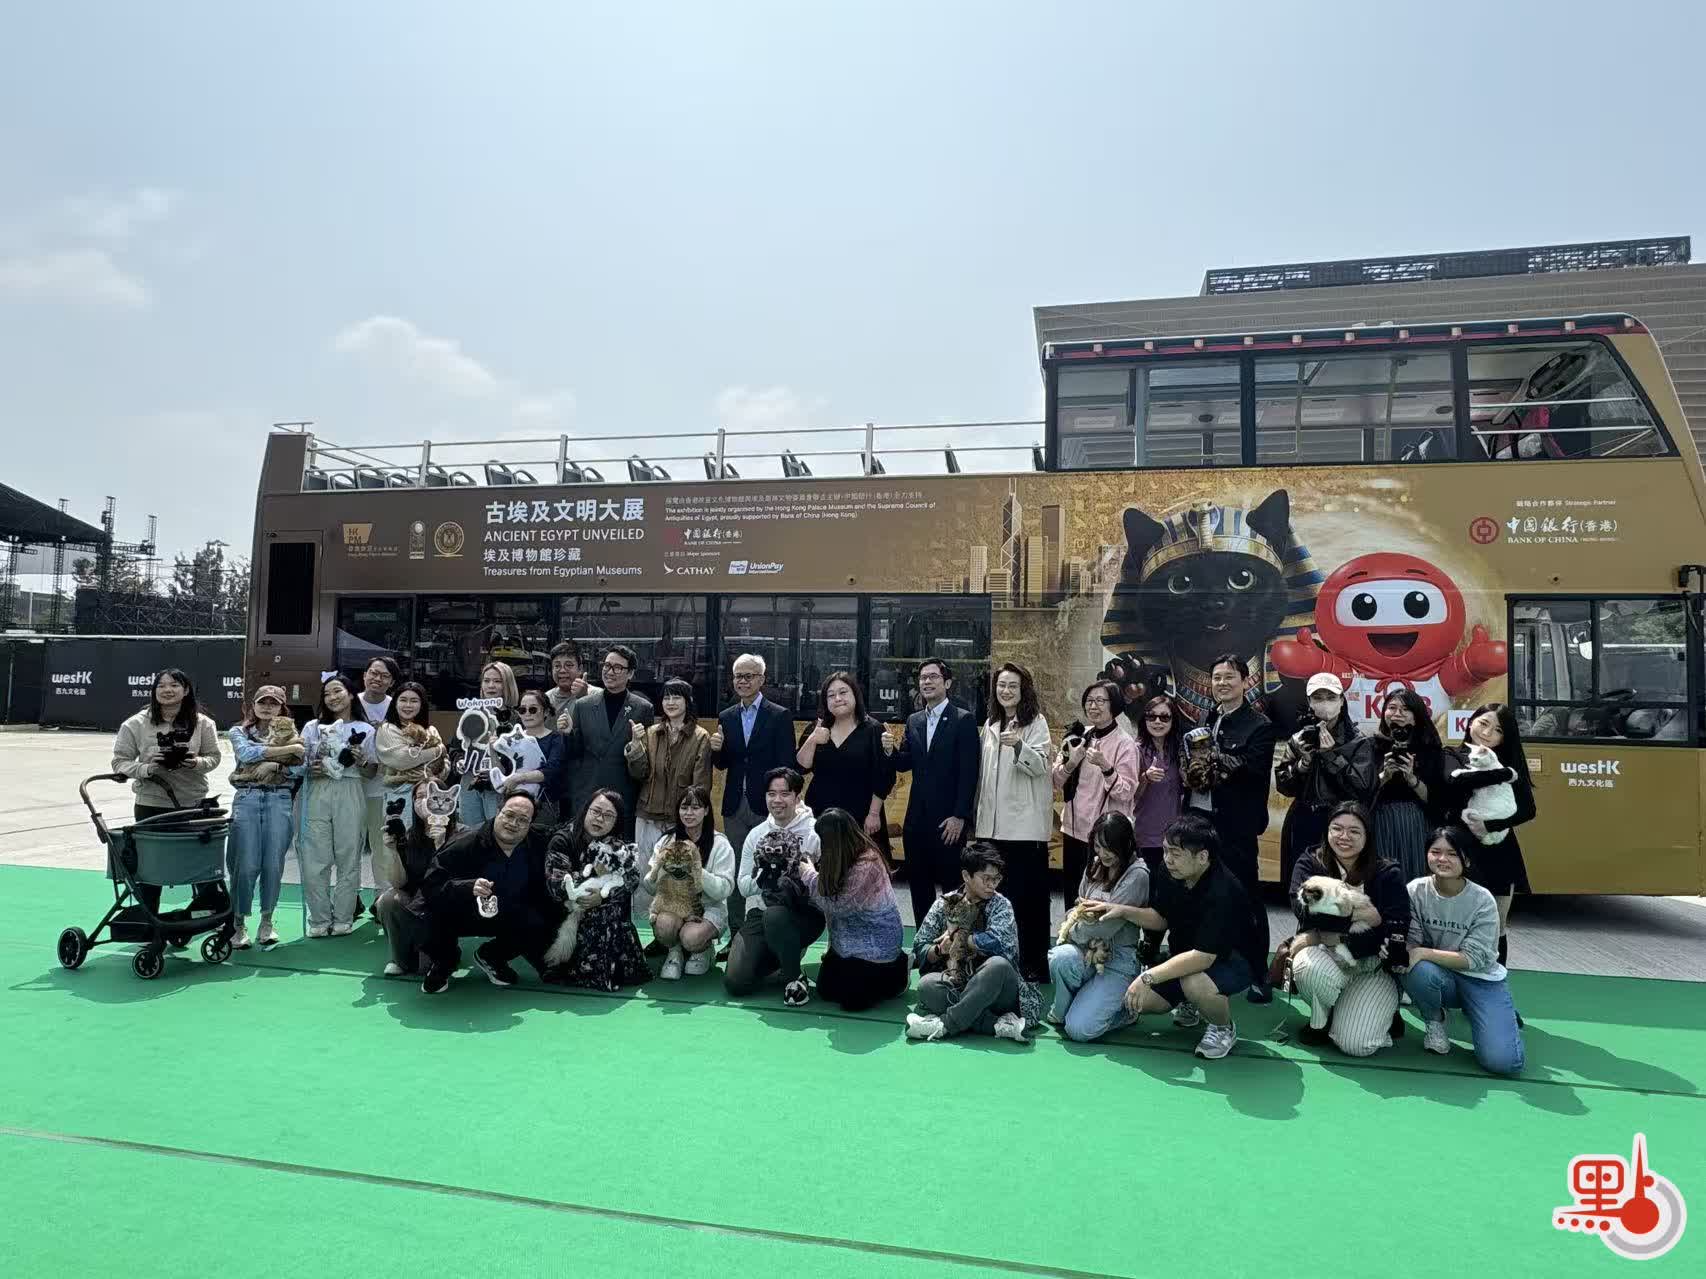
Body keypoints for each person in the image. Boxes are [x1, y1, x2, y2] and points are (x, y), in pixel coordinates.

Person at [1086, 815, 1257, 1060]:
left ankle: (1223, 1028)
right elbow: (1161, 918)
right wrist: (1121, 910)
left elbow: (1203, 958)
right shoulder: (1170, 872)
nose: (1167, 859)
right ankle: (1191, 1002)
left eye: (1175, 853)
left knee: (1194, 982)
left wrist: (1147, 976)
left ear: (1202, 857)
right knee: (1141, 1003)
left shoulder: (1223, 891)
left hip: (1233, 960)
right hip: (1187, 955)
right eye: (1166, 850)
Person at [1182, 654, 1277, 1002]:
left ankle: (1259, 973)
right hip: (1200, 819)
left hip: (1236, 827)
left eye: (1229, 677)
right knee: (1201, 895)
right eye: (1217, 677)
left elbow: (1253, 771)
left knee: (1246, 896)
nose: (1222, 683)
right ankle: (1209, 962)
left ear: (1245, 681)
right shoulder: (1207, 718)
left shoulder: (1259, 725)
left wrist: (1216, 757)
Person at [1285, 801, 1409, 1056]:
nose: (1344, 837)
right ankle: (1320, 1021)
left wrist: (1328, 933)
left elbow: (1395, 926)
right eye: (1337, 828)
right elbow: (1302, 910)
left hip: (1372, 964)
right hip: (1325, 953)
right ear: (1327, 830)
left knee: (1357, 1045)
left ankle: (1382, 1010)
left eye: (1354, 831)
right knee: (1307, 967)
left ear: (1367, 836)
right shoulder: (1310, 861)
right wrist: (1357, 914)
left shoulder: (1387, 871)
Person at [110, 669, 227, 935]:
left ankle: (205, 918)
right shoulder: (135, 723)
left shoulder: (203, 723)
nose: (167, 690)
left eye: (174, 685)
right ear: (154, 691)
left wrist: (196, 762)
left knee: (200, 867)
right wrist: (147, 768)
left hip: (193, 804)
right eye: (161, 685)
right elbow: (119, 762)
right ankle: (148, 927)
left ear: (186, 690)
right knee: (151, 870)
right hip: (151, 805)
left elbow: (214, 757)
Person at [1402, 826, 1525, 1075]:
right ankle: (1435, 1021)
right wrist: (1410, 952)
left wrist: (1423, 953)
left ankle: (1494, 1012)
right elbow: (1411, 941)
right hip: (1438, 976)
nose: (1442, 859)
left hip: (1480, 979)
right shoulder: (1415, 890)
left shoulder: (1482, 899)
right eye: (1435, 852)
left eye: (1452, 854)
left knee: (1503, 1063)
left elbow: (1475, 958)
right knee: (1413, 966)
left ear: (1466, 860)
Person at [419, 793, 551, 994]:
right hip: (463, 912)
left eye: (523, 820)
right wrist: (466, 887)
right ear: (497, 811)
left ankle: (492, 955)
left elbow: (571, 831)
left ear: (530, 824)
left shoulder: (539, 840)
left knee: (543, 915)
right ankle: (444, 961)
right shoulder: (464, 843)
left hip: (510, 912)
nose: (513, 823)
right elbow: (431, 886)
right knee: (430, 913)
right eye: (509, 815)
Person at [906, 843, 1039, 1043]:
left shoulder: (1001, 905)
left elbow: (997, 942)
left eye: (996, 878)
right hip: (958, 983)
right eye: (986, 878)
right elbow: (920, 947)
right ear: (966, 876)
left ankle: (944, 1025)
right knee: (926, 985)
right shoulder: (945, 902)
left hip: (997, 990)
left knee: (998, 966)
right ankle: (997, 1025)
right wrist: (939, 949)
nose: (992, 885)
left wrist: (960, 938)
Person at [710, 653, 797, 953]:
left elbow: (786, 764)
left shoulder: (779, 715)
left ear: (762, 679)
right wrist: (717, 750)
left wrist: (782, 801)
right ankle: (736, 937)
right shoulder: (726, 716)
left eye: (749, 676)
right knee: (737, 871)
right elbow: (723, 763)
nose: (743, 681)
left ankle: (770, 938)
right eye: (738, 676)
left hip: (768, 807)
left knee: (773, 871)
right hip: (735, 804)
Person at [972, 662, 1052, 980]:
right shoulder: (990, 723)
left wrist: (1019, 744)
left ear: (1023, 690)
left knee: (1027, 901)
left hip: (1023, 829)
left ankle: (1033, 963)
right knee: (996, 898)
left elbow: (1041, 766)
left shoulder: (1036, 722)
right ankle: (999, 960)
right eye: (1001, 685)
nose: (1005, 691)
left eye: (1012, 686)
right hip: (992, 828)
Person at [891, 656, 980, 929]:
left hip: (948, 823)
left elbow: (969, 773)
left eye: (933, 677)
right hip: (916, 821)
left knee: (952, 889)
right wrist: (889, 750)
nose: (926, 682)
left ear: (947, 683)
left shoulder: (963, 720)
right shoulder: (914, 720)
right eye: (922, 678)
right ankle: (924, 942)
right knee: (919, 887)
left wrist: (960, 816)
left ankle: (953, 942)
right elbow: (905, 762)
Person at [724, 767, 824, 1006]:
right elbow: (743, 886)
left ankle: (794, 977)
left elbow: (828, 886)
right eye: (771, 794)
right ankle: (784, 953)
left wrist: (801, 875)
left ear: (797, 797)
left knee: (776, 915)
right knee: (737, 983)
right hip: (761, 912)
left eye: (785, 793)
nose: (777, 800)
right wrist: (766, 877)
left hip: (803, 913)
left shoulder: (815, 833)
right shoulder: (757, 834)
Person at [1047, 812, 1150, 1042]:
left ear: (1125, 844)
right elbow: (1078, 904)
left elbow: (1104, 927)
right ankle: (1065, 1009)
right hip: (1086, 950)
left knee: (1079, 1030)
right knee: (1059, 957)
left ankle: (1125, 1012)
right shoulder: (1095, 864)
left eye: (1109, 848)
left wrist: (1072, 928)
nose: (1102, 854)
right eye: (1097, 846)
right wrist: (1077, 919)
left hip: (1118, 961)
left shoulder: (1138, 875)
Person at [1450, 703, 1536, 977]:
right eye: (1483, 723)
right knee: (1455, 923)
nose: (1487, 733)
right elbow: (1455, 787)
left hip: (1501, 853)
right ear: (1471, 722)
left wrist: (1489, 825)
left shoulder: (1511, 763)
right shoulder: (1452, 756)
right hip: (1459, 851)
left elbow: (1528, 810)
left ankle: (1494, 983)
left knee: (1496, 925)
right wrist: (1503, 775)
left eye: (1497, 730)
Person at [798, 808, 908, 1011]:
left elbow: (838, 907)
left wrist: (809, 875)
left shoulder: (868, 863)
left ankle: (900, 970)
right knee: (826, 991)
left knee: (853, 1002)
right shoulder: (841, 857)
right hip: (846, 944)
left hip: (876, 946)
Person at [541, 789, 652, 990]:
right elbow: (556, 886)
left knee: (610, 909)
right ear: (586, 810)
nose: (600, 819)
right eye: (596, 811)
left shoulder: (616, 843)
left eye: (608, 816)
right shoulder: (563, 839)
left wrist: (603, 897)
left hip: (605, 908)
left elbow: (632, 879)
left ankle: (605, 970)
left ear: (616, 822)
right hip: (566, 910)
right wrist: (593, 876)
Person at [1274, 672, 1375, 892]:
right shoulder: (1299, 739)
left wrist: (1331, 756)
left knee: (1341, 890)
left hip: (1342, 822)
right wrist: (1303, 764)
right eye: (1318, 698)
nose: (1325, 704)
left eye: (1331, 697)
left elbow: (1362, 788)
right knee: (1304, 889)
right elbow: (1283, 785)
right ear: (1309, 702)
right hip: (1304, 817)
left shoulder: (1358, 741)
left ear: (1342, 701)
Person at [628, 677, 712, 937]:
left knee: (679, 878)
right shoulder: (651, 733)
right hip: (647, 813)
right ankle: (650, 932)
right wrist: (635, 747)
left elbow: (701, 785)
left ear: (688, 702)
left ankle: (679, 934)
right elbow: (638, 773)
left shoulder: (700, 736)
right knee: (646, 874)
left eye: (677, 697)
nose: (671, 702)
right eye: (666, 697)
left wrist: (691, 815)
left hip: (680, 820)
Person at [1050, 679, 1139, 925]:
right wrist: (1071, 762)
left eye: (1101, 701)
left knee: (1099, 898)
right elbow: (1056, 781)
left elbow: (1126, 792)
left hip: (1105, 836)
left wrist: (1105, 766)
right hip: (1073, 829)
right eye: (1089, 700)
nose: (1093, 706)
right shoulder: (1077, 737)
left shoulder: (1125, 744)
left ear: (1115, 705)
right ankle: (1069, 937)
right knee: (1072, 895)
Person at [225, 685, 304, 949]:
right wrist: (287, 753)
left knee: (273, 864)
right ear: (253, 705)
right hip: (247, 797)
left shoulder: (293, 733)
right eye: (262, 702)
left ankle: (267, 921)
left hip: (279, 798)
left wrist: (276, 765)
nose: (267, 707)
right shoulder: (239, 731)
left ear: (282, 707)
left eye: (274, 703)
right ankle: (238, 924)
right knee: (245, 865)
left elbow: (302, 767)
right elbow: (245, 754)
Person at [298, 675, 378, 937]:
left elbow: (371, 772)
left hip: (350, 789)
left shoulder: (365, 730)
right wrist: (311, 767)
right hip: (317, 791)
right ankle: (319, 919)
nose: (332, 698)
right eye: (327, 693)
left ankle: (344, 917)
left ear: (351, 694)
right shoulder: (312, 727)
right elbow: (298, 764)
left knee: (349, 855)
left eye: (337, 691)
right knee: (315, 858)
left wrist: (362, 760)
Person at [795, 670, 894, 860]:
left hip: (861, 814)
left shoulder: (873, 729)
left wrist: (874, 813)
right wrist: (813, 739)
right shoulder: (817, 727)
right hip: (821, 813)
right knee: (824, 868)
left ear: (855, 694)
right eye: (831, 695)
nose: (837, 699)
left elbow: (884, 775)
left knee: (861, 868)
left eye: (843, 692)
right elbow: (801, 767)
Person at [640, 785, 735, 979]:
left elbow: (724, 890)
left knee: (691, 938)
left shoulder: (720, 843)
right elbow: (649, 887)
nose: (689, 813)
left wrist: (696, 868)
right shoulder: (666, 841)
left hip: (708, 908)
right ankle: (674, 951)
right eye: (684, 807)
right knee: (664, 926)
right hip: (673, 904)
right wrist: (661, 871)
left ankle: (703, 949)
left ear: (706, 810)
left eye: (695, 807)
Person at [562, 645, 655, 833]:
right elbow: (574, 753)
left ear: (630, 673)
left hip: (623, 796)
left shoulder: (643, 708)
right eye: (607, 665)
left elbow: (644, 764)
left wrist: (636, 746)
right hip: (587, 794)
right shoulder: (583, 705)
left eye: (617, 667)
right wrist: (568, 733)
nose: (610, 672)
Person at [374, 780, 461, 977]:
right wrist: (392, 851)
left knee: (426, 969)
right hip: (414, 903)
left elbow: (459, 879)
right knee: (388, 899)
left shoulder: (461, 833)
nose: (424, 801)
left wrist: (441, 845)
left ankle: (444, 952)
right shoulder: (409, 835)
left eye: (430, 795)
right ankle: (399, 959)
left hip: (445, 904)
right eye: (419, 797)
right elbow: (398, 883)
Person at [1367, 688, 1451, 883]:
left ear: (1416, 715)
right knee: (1384, 878)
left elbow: (1436, 798)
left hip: (1417, 823)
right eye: (1392, 708)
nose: (1397, 713)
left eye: (1405, 709)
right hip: (1380, 822)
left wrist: (1412, 779)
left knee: (1416, 875)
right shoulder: (1371, 746)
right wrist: (1384, 776)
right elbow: (1363, 792)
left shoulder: (1430, 749)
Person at [1129, 693, 1184, 963]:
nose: (1158, 721)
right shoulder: (1136, 749)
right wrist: (1145, 778)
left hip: (1174, 838)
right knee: (1149, 898)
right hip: (1145, 836)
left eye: (1164, 717)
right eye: (1152, 716)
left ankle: (1164, 950)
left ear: (1173, 721)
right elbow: (1129, 795)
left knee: (1171, 897)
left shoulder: (1179, 750)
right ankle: (1147, 950)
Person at [355, 655, 399, 919]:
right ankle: (350, 899)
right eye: (373, 673)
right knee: (349, 846)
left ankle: (381, 902)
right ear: (364, 675)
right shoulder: (350, 702)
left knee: (381, 847)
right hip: (349, 786)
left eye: (384, 676)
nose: (377, 679)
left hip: (381, 788)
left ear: (391, 682)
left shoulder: (396, 706)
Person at [453, 661, 521, 831]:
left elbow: (520, 758)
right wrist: (459, 761)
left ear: (507, 685)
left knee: (496, 833)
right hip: (469, 782)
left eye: (497, 681)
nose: (491, 686)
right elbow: (455, 748)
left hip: (498, 786)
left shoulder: (516, 719)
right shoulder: (471, 714)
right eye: (487, 680)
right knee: (469, 834)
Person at [376, 682, 446, 832]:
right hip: (400, 796)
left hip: (430, 795)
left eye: (414, 701)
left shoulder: (431, 730)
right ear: (395, 703)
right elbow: (402, 760)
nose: (408, 705)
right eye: (403, 700)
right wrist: (437, 750)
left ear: (422, 704)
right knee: (400, 839)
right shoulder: (387, 729)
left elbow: (446, 764)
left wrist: (432, 774)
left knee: (431, 838)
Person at [506, 688, 566, 827]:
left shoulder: (556, 738)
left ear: (546, 712)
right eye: (522, 710)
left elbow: (551, 770)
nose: (527, 714)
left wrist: (519, 778)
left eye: (533, 709)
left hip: (543, 805)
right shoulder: (513, 738)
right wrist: (492, 749)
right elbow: (504, 770)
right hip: (513, 801)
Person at [546, 640, 590, 726]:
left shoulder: (596, 695)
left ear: (580, 669)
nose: (562, 670)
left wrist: (584, 698)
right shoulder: (546, 699)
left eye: (569, 665)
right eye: (557, 666)